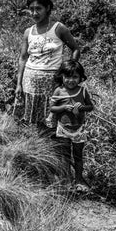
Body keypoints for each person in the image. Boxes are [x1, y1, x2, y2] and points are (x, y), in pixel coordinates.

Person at [15, 0, 80, 130]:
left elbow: (75, 49)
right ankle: (40, 146)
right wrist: (18, 84)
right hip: (30, 83)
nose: (34, 13)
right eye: (31, 9)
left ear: (48, 8)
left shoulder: (58, 28)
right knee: (36, 120)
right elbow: (23, 58)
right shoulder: (28, 32)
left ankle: (57, 147)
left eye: (38, 8)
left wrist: (70, 72)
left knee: (53, 117)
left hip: (51, 83)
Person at [49, 60, 94, 191]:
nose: (71, 80)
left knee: (78, 155)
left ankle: (79, 180)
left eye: (75, 77)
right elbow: (52, 108)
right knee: (65, 155)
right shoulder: (58, 91)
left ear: (80, 77)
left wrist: (82, 107)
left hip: (78, 129)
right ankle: (67, 180)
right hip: (63, 128)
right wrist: (63, 107)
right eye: (67, 77)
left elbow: (90, 107)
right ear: (62, 76)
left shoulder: (83, 91)